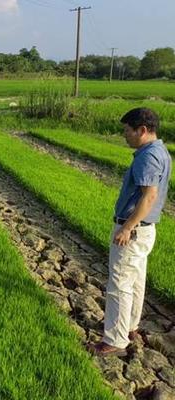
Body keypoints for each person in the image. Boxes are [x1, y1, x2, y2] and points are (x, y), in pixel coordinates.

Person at [88, 108, 171, 357]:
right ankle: (130, 326)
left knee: (119, 284)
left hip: (133, 230)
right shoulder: (160, 150)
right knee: (135, 281)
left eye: (127, 130)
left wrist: (126, 227)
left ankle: (115, 339)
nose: (124, 134)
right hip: (144, 230)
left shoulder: (148, 157)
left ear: (142, 130)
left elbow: (149, 196)